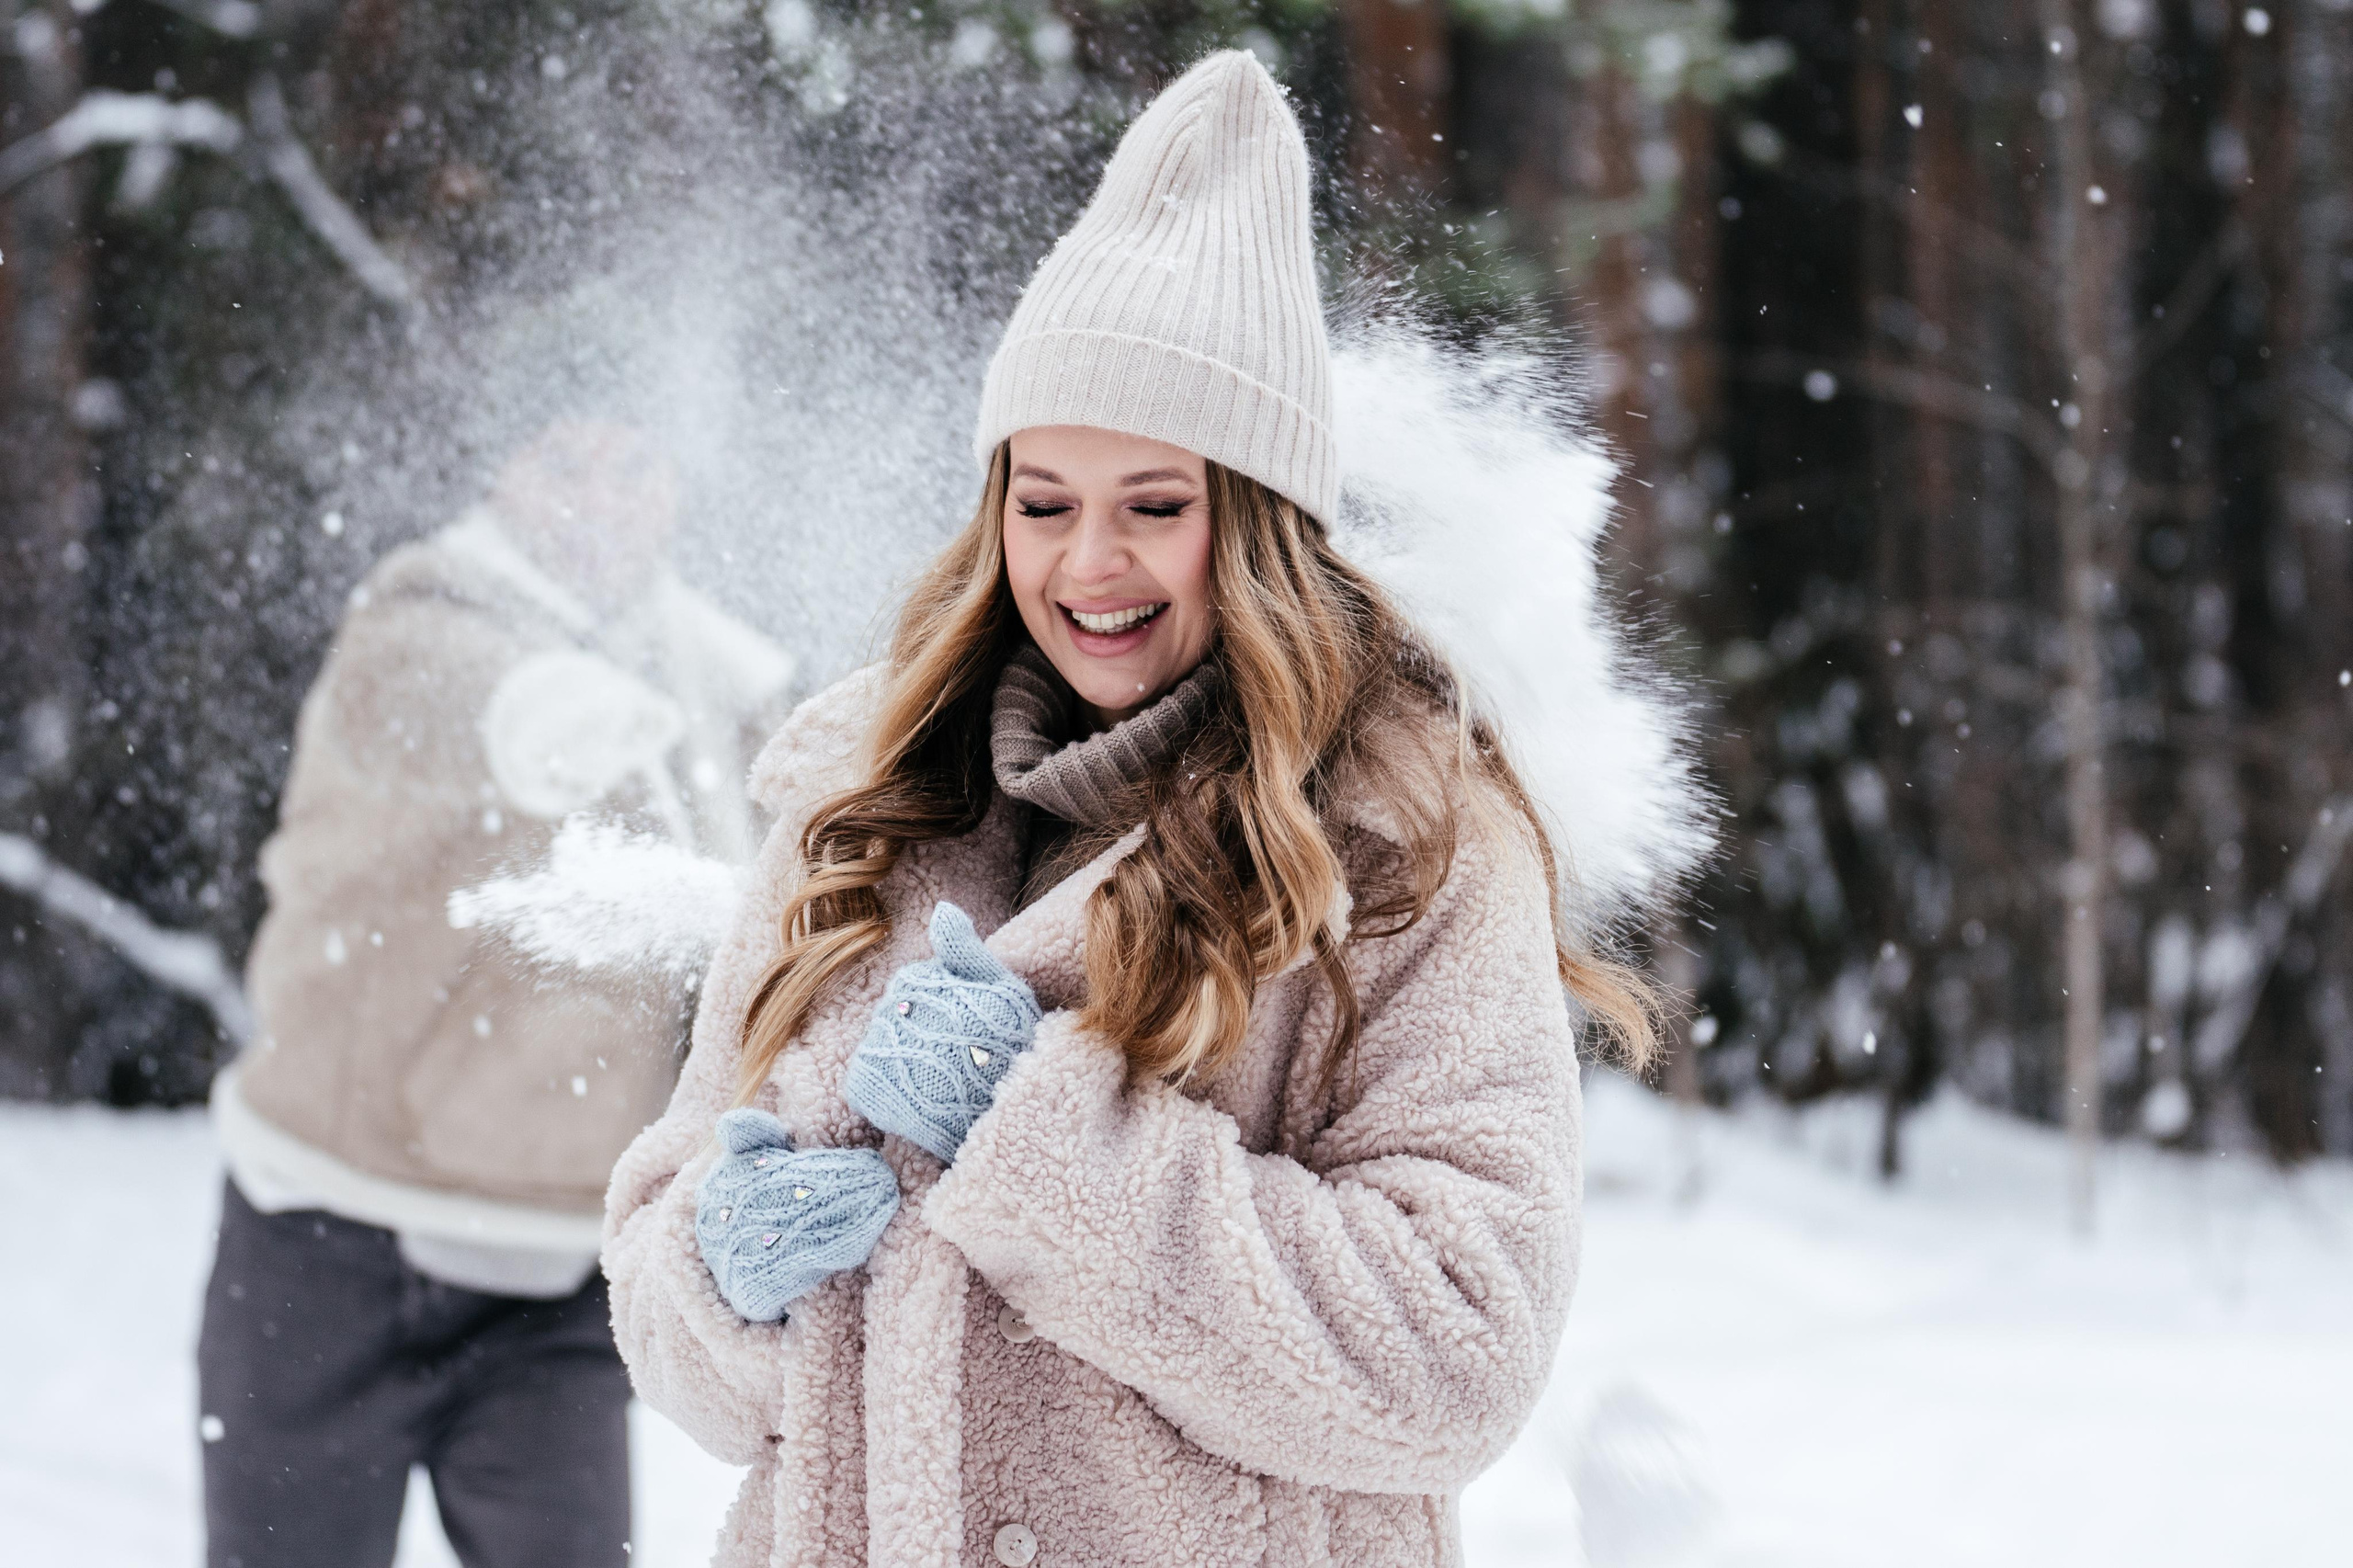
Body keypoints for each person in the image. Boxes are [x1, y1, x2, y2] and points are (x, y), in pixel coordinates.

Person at [605, 51, 1657, 1568]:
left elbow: (1457, 1350)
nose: (1089, 561)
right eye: (1045, 502)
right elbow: (670, 1289)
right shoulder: (855, 807)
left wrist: (1047, 1145)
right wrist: (717, 1276)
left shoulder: (1407, 840)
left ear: (1258, 522)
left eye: (1154, 505)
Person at [200, 416, 794, 1568]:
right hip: (325, 1247)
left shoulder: (724, 678)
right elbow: (479, 707)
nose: (600, 498)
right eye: (562, 460)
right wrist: (593, 718)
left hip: (555, 1283)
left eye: (634, 463)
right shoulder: (415, 620)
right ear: (496, 471)